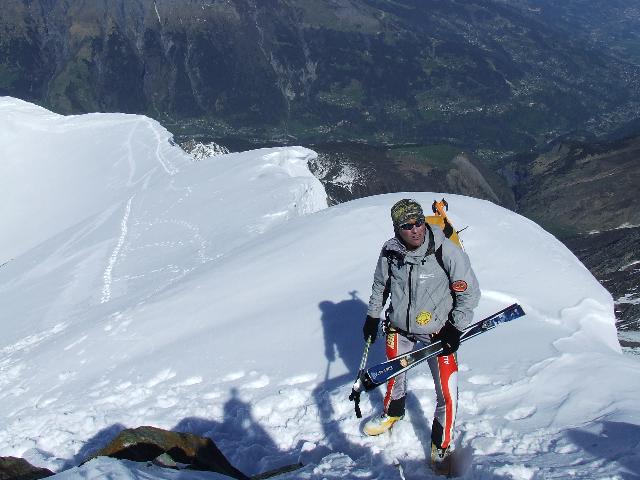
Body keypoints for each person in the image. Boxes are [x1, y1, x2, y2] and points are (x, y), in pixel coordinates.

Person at [362, 198, 480, 469]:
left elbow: (469, 293)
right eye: (407, 225)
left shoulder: (445, 251)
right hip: (399, 327)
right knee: (394, 375)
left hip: (438, 332)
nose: (415, 230)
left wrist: (455, 327)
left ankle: (441, 446)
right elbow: (381, 286)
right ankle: (393, 413)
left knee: (446, 394)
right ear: (396, 228)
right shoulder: (390, 251)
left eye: (419, 223)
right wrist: (372, 316)